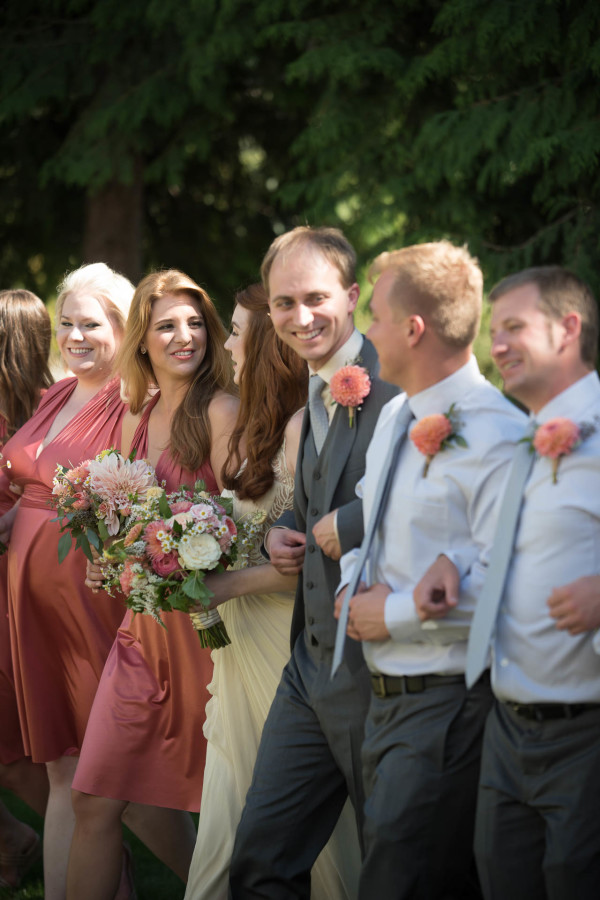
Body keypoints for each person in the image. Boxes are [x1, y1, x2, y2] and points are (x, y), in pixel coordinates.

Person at [334, 242, 526, 899]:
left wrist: (388, 614)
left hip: (448, 704)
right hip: (383, 697)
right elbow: (370, 527)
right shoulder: (394, 415)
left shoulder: (500, 435)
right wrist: (350, 589)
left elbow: (514, 590)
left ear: (413, 329)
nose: (364, 332)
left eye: (374, 316)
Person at [229, 226, 397, 898]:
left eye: (315, 297)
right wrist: (287, 529)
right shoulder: (315, 397)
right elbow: (312, 496)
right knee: (261, 860)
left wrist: (342, 524)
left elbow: (441, 497)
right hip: (308, 668)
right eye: (283, 303)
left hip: (379, 674)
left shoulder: (398, 385)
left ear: (352, 295)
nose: (300, 318)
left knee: (403, 869)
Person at [68, 269, 238, 900]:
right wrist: (107, 557)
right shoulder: (134, 416)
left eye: (195, 323)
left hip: (205, 634)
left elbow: (241, 527)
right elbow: (124, 519)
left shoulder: (222, 410)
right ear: (142, 339)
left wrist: (179, 551)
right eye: (167, 324)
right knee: (100, 800)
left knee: (225, 802)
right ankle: (214, 887)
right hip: (141, 631)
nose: (184, 336)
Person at [185, 284, 358, 900]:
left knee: (296, 822)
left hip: (284, 641)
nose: (225, 342)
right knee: (231, 805)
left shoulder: (300, 427)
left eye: (235, 330)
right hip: (240, 642)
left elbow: (308, 557)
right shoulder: (253, 419)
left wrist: (220, 582)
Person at [464, 267, 600, 899]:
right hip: (506, 728)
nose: (497, 345)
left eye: (514, 327)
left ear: (568, 328)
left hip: (588, 735)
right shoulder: (520, 441)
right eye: (495, 331)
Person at [0, 264, 134, 900]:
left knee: (106, 772)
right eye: (67, 323)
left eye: (92, 323)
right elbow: (32, 477)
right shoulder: (58, 392)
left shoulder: (133, 399)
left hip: (88, 597)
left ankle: (222, 883)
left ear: (123, 327)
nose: (75, 335)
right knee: (62, 768)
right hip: (31, 602)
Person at [0, 289, 52, 890]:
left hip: (17, 591)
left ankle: (94, 845)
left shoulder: (53, 411)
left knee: (13, 753)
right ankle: (17, 841)